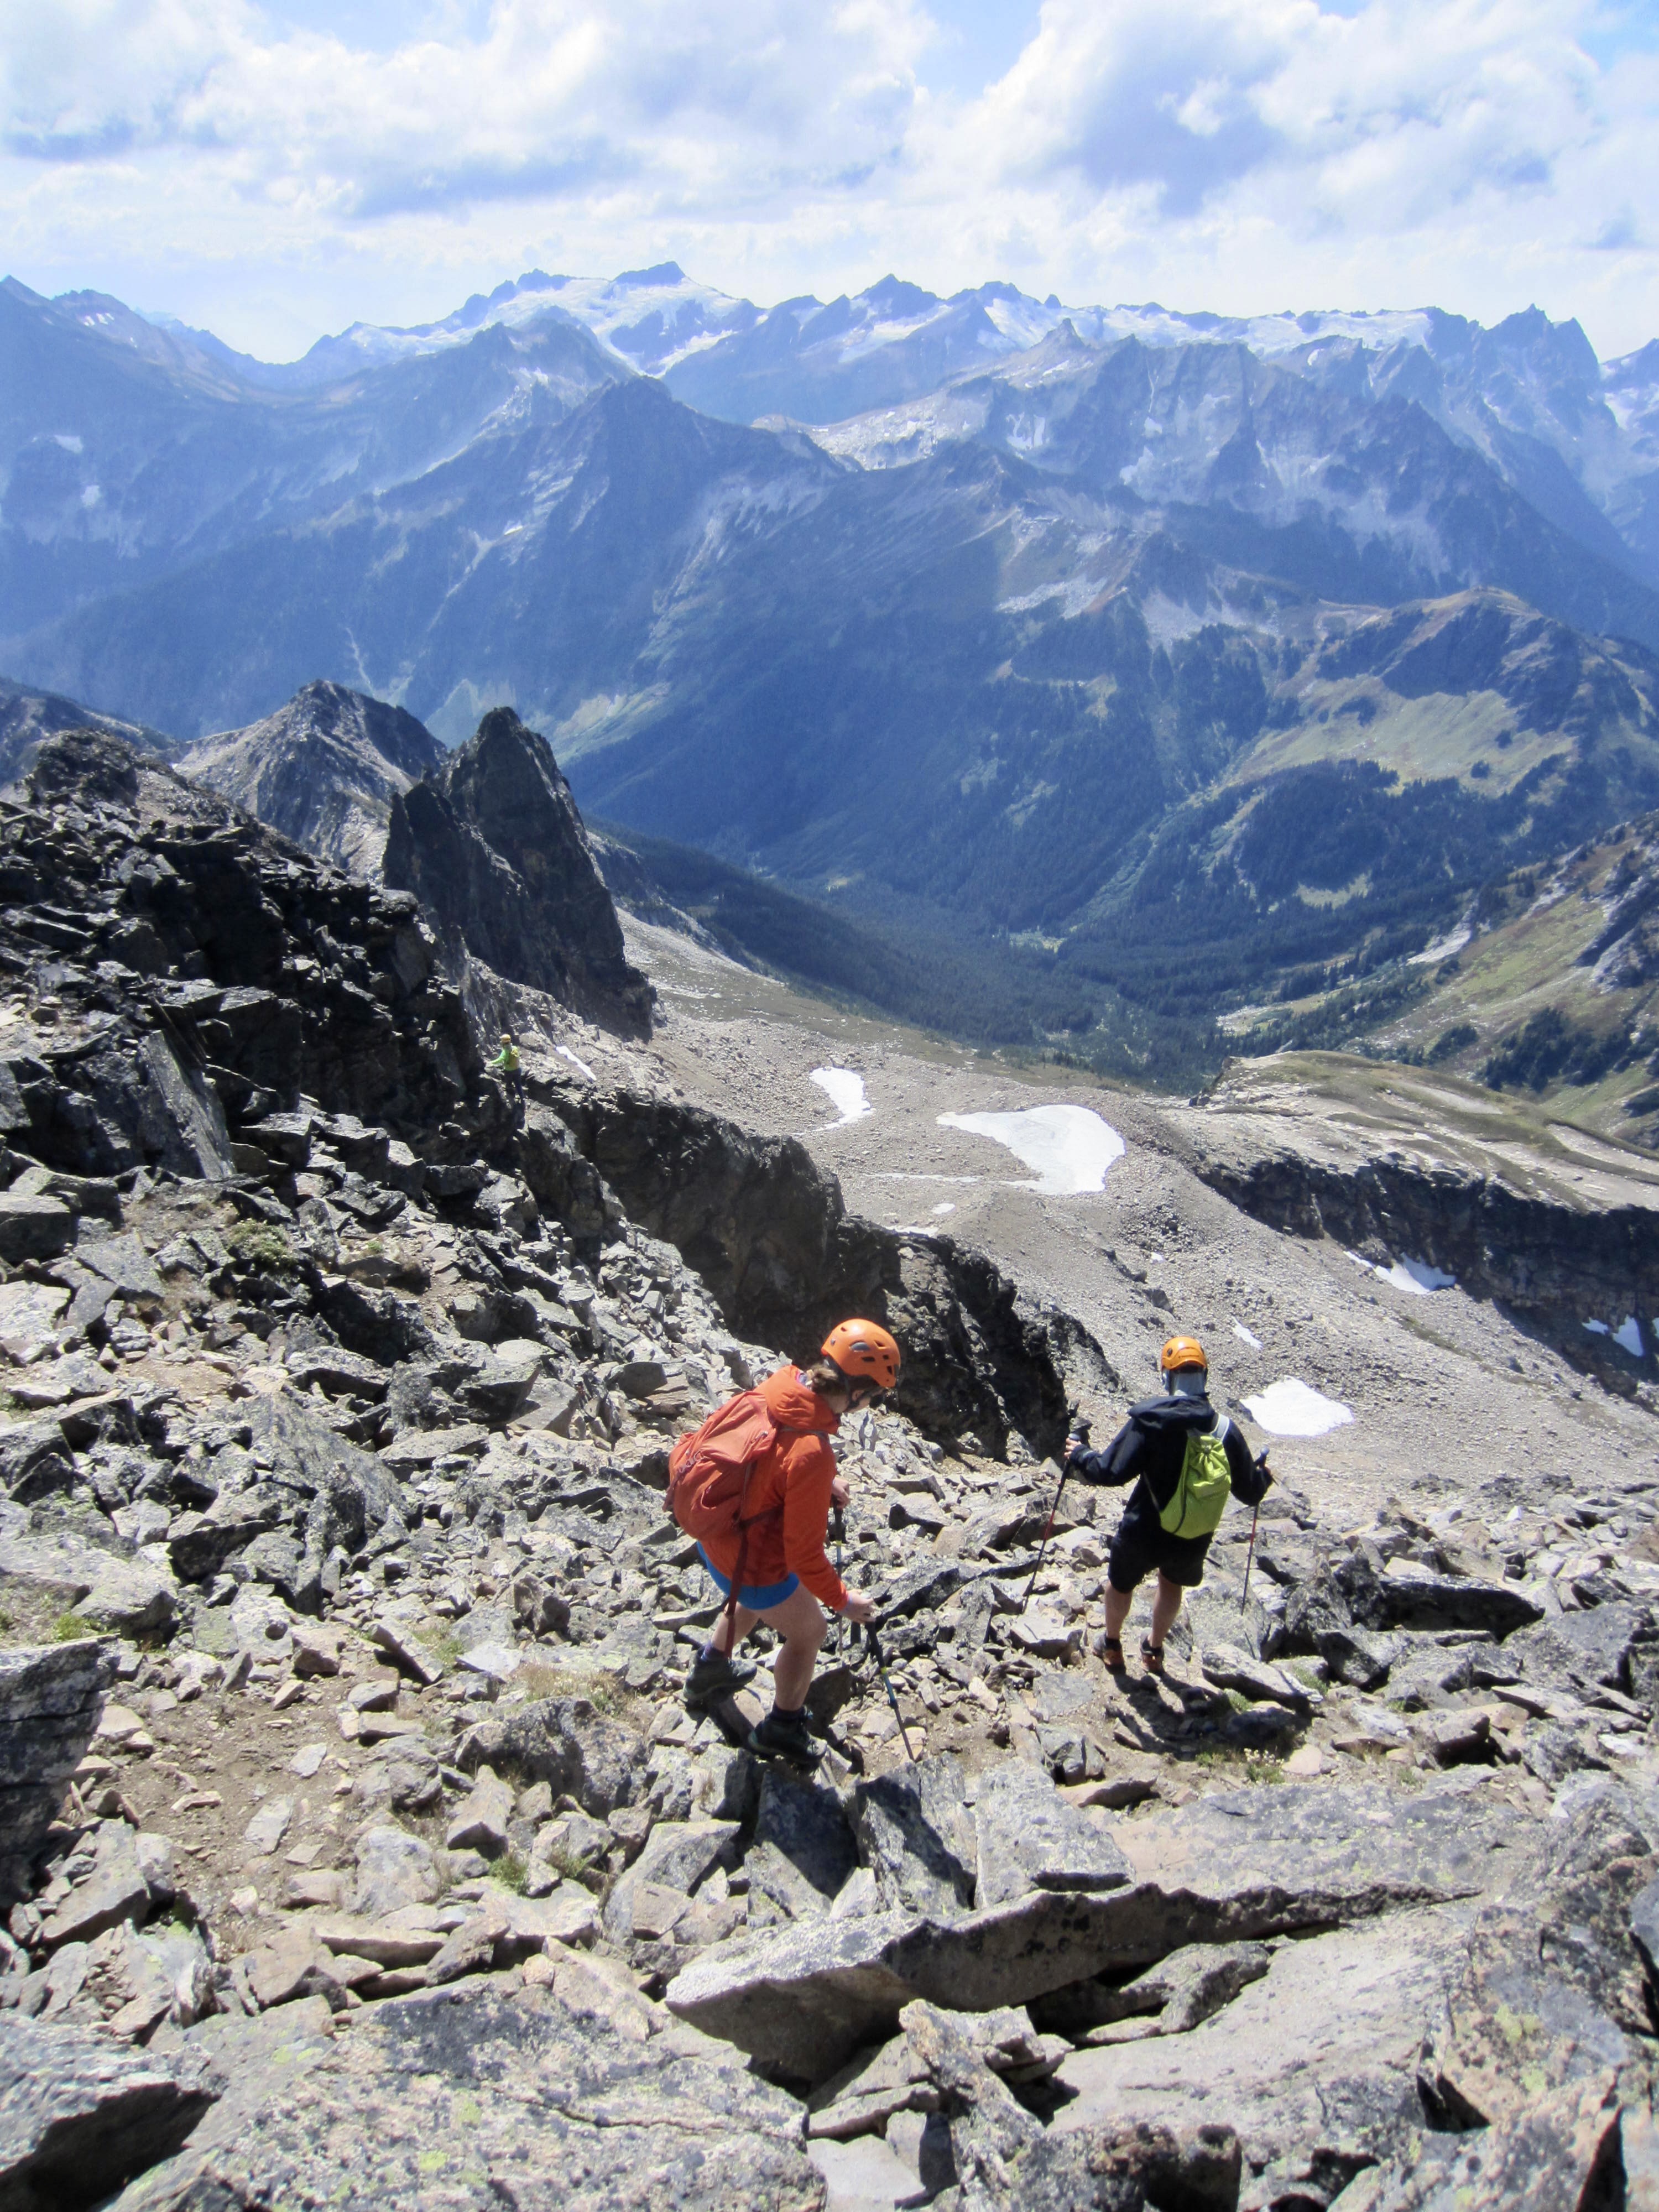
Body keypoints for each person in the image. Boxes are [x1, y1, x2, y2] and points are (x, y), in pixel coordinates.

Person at [681, 1319, 899, 1765]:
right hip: (746, 1559)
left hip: (715, 1532)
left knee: (760, 1600)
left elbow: (766, 1454)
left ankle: (709, 1669)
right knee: (810, 1629)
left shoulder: (781, 1385)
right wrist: (844, 1601)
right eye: (873, 1397)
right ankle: (782, 1727)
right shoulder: (813, 1453)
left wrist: (821, 1486)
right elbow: (803, 1555)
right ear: (856, 1392)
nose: (870, 1405)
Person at [1065, 1334, 1271, 1676]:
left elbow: (1110, 1472)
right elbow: (1251, 1493)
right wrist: (1263, 1477)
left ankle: (1112, 1645)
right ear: (1204, 1376)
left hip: (1144, 1527)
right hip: (1192, 1535)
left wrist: (1081, 1455)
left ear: (1167, 1376)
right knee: (1172, 1584)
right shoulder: (1225, 1430)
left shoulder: (1151, 1421)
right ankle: (1154, 1650)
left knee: (1120, 1584)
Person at [486, 1030, 522, 1094]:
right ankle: (522, 1097)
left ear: (503, 1042)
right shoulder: (515, 1048)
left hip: (509, 1071)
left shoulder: (505, 1051)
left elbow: (500, 1060)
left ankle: (510, 1095)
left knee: (509, 1084)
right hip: (518, 1069)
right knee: (518, 1085)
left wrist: (491, 1063)